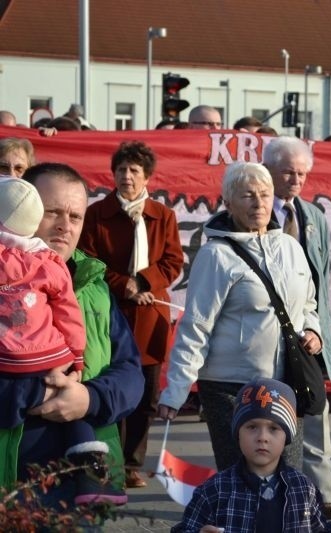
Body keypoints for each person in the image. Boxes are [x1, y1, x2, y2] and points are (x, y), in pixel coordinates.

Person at [157, 162, 322, 473]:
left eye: (265, 194)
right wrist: (176, 390)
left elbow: (309, 304)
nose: (258, 203)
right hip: (230, 387)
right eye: (247, 195)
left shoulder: (291, 247)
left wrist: (312, 330)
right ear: (228, 202)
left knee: (288, 474)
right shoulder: (216, 255)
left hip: (286, 381)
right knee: (240, 478)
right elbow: (196, 327)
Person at [15, 163, 143, 504]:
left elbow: (130, 372)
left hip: (83, 486)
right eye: (52, 212)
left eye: (75, 216)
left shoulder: (95, 286)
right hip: (10, 478)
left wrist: (89, 399)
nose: (64, 226)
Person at [79, 141, 183, 489]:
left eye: (134, 171)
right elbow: (87, 259)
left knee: (146, 395)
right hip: (108, 312)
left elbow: (173, 262)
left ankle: (133, 462)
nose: (126, 176)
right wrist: (123, 285)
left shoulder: (162, 215)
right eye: (121, 170)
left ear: (146, 176)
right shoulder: (96, 214)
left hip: (150, 312)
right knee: (111, 388)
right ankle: (109, 463)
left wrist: (144, 282)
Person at [263, 137, 331, 520]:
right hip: (268, 335)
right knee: (270, 415)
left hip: (308, 334)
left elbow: (322, 277)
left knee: (315, 412)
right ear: (270, 171)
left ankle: (323, 494)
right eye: (288, 172)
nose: (296, 180)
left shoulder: (314, 217)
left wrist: (319, 330)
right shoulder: (256, 210)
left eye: (302, 173)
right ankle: (274, 492)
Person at [173, 377, 331, 533]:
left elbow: (319, 529)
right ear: (238, 433)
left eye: (274, 429)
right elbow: (185, 527)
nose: (262, 437)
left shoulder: (304, 488)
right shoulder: (215, 489)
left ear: (287, 436)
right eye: (252, 427)